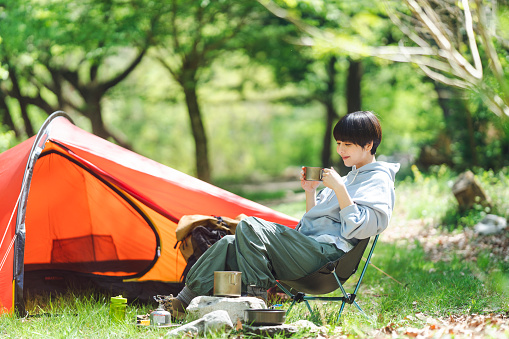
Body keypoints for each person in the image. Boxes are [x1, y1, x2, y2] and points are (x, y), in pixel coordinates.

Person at [168, 110, 400, 319]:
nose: (340, 150)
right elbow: (315, 225)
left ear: (368, 144)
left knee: (249, 225)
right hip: (309, 250)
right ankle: (182, 301)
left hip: (328, 260)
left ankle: (256, 302)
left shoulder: (378, 180)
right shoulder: (350, 177)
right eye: (338, 143)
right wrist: (312, 192)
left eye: (347, 144)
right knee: (229, 241)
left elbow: (361, 228)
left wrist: (339, 189)